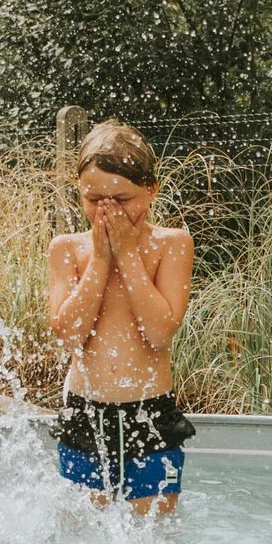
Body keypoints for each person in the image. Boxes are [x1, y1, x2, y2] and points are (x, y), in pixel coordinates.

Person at [46, 121, 197, 512]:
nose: (107, 211)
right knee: (82, 538)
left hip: (148, 415)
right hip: (85, 413)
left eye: (122, 199)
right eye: (94, 199)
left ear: (151, 190)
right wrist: (100, 258)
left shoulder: (172, 245)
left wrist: (127, 255)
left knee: (155, 541)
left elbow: (160, 332)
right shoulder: (67, 249)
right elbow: (70, 334)